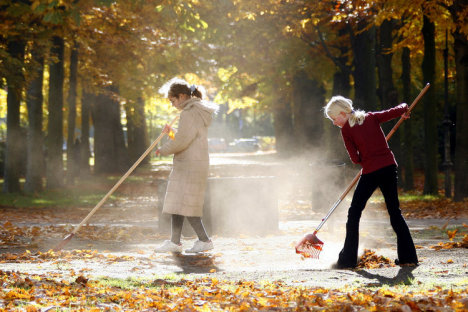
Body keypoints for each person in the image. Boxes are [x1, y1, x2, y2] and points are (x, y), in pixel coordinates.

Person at [324, 96, 418, 269]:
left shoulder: (346, 130)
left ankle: (347, 260)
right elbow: (399, 109)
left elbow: (354, 158)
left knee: (354, 213)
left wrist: (364, 158)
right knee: (394, 212)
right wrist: (405, 111)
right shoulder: (372, 117)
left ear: (343, 114)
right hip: (389, 167)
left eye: (334, 118)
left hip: (370, 172)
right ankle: (408, 258)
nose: (333, 122)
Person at [154, 78, 218, 253]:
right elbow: (187, 136)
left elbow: (183, 140)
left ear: (182, 96)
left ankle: (204, 240)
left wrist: (162, 150)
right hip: (192, 163)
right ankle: (175, 242)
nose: (173, 105)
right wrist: (172, 133)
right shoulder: (195, 111)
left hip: (190, 165)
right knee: (179, 203)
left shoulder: (189, 113)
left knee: (187, 203)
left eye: (173, 101)